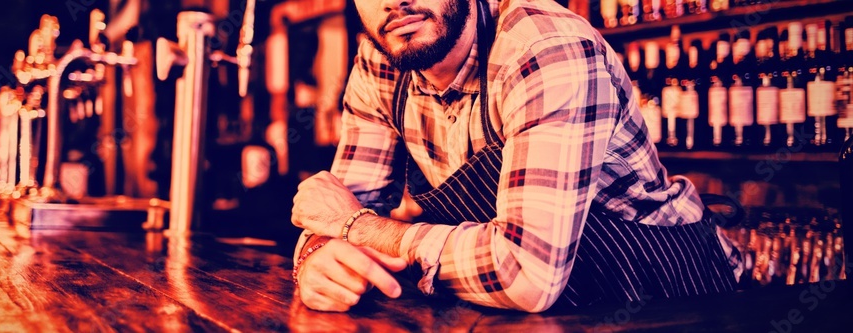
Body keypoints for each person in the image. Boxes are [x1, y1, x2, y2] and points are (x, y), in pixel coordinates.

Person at [290, 0, 743, 313]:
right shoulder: (384, 55)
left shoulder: (544, 48)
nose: (394, 2)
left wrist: (358, 228)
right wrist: (317, 255)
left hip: (668, 303)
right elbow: (335, 208)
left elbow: (526, 274)